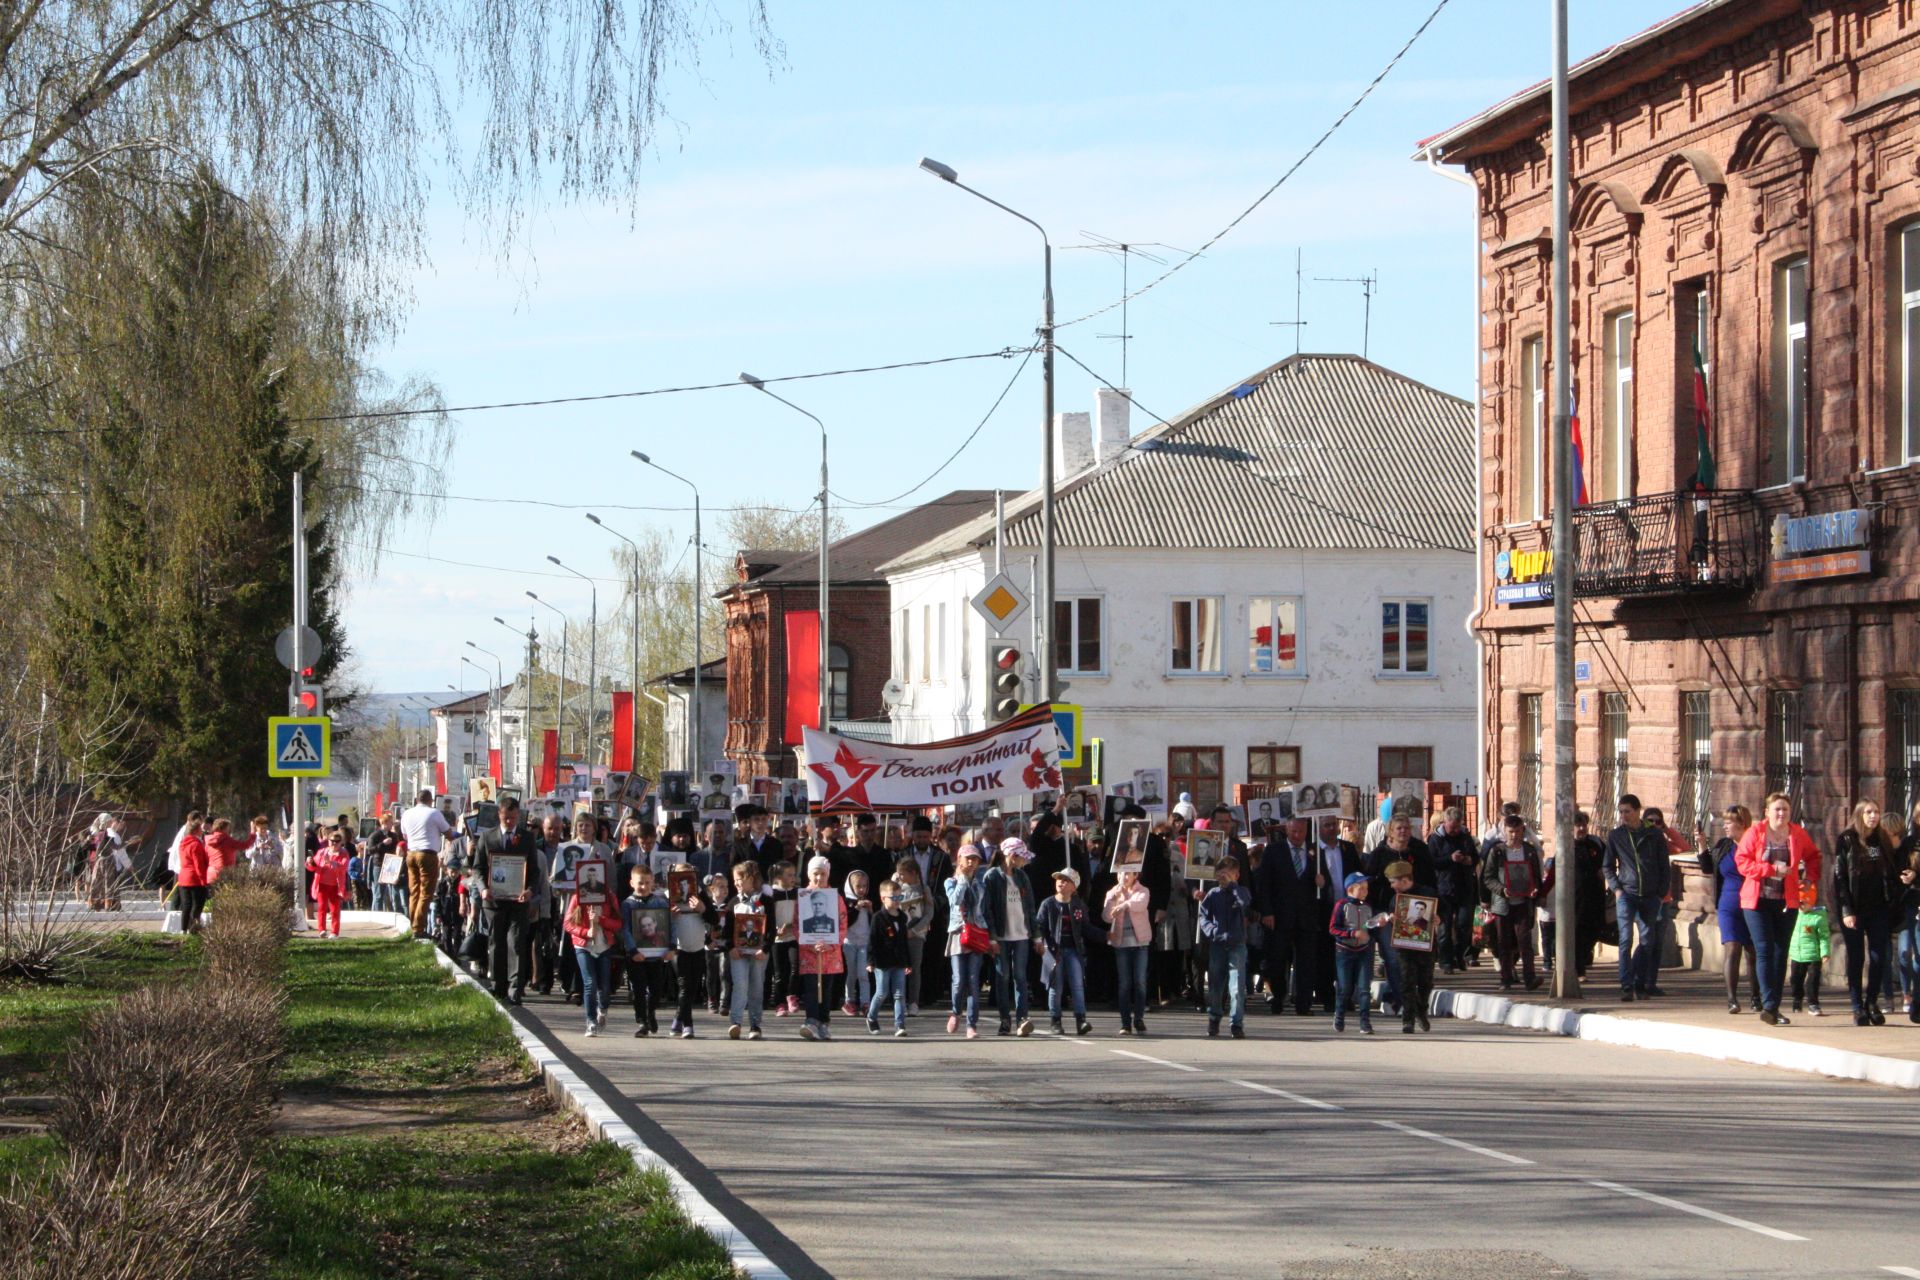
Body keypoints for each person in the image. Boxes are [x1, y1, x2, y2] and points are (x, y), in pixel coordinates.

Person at [1735, 791, 1820, 1026]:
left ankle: (1773, 1007)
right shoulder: (1755, 833)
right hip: (1757, 901)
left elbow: (1814, 856)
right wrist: (1771, 870)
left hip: (1786, 901)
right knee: (1764, 950)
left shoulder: (1797, 833)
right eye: (1777, 809)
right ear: (1767, 812)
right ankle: (1769, 1004)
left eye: (1785, 809)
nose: (1781, 813)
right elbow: (1742, 861)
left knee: (1781, 953)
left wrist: (1810, 878)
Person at [1829, 799, 1898, 1026]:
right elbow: (1840, 877)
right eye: (1868, 812)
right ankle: (1857, 1006)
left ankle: (1872, 1003)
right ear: (1860, 815)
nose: (1873, 816)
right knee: (1857, 957)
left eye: (1876, 812)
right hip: (1854, 909)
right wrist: (1847, 910)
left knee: (1879, 957)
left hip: (1878, 908)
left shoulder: (1882, 840)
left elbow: (1891, 871)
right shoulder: (1847, 840)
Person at [474, 796, 544, 1006]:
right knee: (496, 944)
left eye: (513, 818)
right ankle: (498, 986)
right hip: (494, 901)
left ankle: (515, 988)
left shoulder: (526, 838)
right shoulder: (487, 837)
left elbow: (534, 871)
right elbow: (477, 868)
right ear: (500, 815)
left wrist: (530, 890)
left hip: (517, 901)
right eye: (506, 818)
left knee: (516, 943)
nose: (510, 822)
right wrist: (483, 888)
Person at [1256, 816, 1327, 1016]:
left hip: (1307, 917)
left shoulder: (1316, 853)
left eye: (1301, 832)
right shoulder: (1273, 851)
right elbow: (1264, 884)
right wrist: (1267, 912)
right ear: (1287, 830)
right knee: (1277, 960)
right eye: (1294, 831)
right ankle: (1277, 999)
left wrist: (1322, 882)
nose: (1297, 835)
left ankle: (1303, 1003)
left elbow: (1325, 882)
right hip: (1280, 916)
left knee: (1306, 962)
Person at [1603, 794, 1671, 1002]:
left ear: (1638, 811)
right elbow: (1607, 866)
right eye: (1621, 811)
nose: (1623, 815)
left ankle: (1639, 983)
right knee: (1625, 939)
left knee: (1647, 940)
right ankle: (1626, 985)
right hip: (1627, 894)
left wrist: (1660, 894)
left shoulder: (1653, 834)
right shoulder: (1616, 836)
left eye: (1627, 811)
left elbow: (1664, 866)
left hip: (1650, 896)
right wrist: (1617, 889)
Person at [1700, 805, 1761, 1015]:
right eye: (1724, 822)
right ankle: (1732, 999)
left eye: (1729, 822)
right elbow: (1708, 867)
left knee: (1752, 952)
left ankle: (1756, 996)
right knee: (1732, 949)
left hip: (1753, 903)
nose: (1725, 826)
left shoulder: (1756, 845)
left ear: (1742, 824)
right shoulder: (1724, 845)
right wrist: (1701, 846)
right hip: (1728, 904)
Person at [1481, 814, 1546, 990]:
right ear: (1505, 831)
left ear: (1522, 831)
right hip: (1503, 904)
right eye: (1511, 831)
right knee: (1504, 942)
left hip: (1524, 903)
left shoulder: (1529, 851)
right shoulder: (1498, 851)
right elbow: (1488, 878)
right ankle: (1506, 979)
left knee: (1525, 942)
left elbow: (1536, 876)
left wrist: (1536, 891)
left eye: (1518, 831)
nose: (1514, 835)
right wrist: (1501, 890)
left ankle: (1529, 978)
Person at [1033, 867, 1100, 1035]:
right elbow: (1039, 925)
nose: (1060, 882)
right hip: (1054, 950)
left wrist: (1105, 936)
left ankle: (1081, 1020)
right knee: (1056, 986)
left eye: (1065, 880)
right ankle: (1055, 1021)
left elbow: (1086, 927)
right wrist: (1039, 940)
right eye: (1059, 879)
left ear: (1074, 887)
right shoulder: (1048, 904)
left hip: (1073, 950)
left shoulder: (1078, 905)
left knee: (1077, 985)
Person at [984, 838, 1037, 1037]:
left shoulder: (1022, 877)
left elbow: (1030, 907)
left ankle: (1022, 1018)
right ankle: (1004, 1019)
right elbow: (987, 910)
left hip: (1021, 934)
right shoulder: (992, 877)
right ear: (1012, 856)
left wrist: (1036, 936)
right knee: (1002, 976)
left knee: (1020, 977)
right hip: (1001, 935)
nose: (1024, 862)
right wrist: (992, 938)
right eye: (1022, 858)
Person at [566, 857, 623, 1038]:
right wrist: (585, 932)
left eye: (595, 873)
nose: (591, 876)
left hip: (604, 945)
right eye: (588, 873)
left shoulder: (609, 896)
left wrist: (601, 921)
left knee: (604, 987)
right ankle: (590, 1022)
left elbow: (618, 924)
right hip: (583, 946)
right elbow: (568, 924)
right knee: (590, 983)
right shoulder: (577, 896)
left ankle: (603, 1009)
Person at [1197, 854, 1252, 1038]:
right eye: (1220, 874)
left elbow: (1245, 904)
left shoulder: (1241, 891)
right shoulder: (1213, 894)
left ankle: (1236, 1023)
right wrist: (1212, 931)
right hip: (1218, 945)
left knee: (1237, 987)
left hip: (1237, 944)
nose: (1222, 878)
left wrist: (1233, 886)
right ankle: (1214, 1018)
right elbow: (1203, 916)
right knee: (1215, 985)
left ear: (1236, 875)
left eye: (1227, 874)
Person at [1381, 859, 1437, 1033]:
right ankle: (1408, 1020)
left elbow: (1444, 909)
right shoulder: (1395, 899)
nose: (1392, 886)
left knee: (1426, 983)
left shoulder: (1428, 893)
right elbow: (1392, 916)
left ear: (1405, 880)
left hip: (1425, 946)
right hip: (1404, 947)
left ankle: (1421, 1010)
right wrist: (1390, 919)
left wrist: (1439, 917)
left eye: (1393, 882)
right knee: (1407, 982)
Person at [796, 855, 846, 1041]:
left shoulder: (836, 898)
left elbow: (842, 924)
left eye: (822, 874)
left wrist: (831, 944)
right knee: (810, 988)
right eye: (815, 874)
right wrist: (809, 943)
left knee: (825, 989)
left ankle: (824, 1022)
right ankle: (811, 1020)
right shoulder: (803, 896)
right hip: (809, 954)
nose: (819, 878)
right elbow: (797, 924)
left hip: (830, 956)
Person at [944, 844, 991, 1039]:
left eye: (975, 859)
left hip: (976, 932)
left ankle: (972, 1024)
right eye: (967, 858)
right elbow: (954, 901)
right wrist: (963, 879)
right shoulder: (951, 881)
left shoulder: (980, 883)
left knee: (973, 980)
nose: (971, 862)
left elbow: (981, 908)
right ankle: (956, 1011)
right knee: (958, 980)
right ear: (959, 860)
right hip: (958, 933)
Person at [1428, 806, 1479, 974]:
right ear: (1445, 822)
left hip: (1464, 887)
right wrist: (1450, 859)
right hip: (1444, 889)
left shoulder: (1465, 837)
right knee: (1444, 927)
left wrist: (1469, 860)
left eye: (1458, 827)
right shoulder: (1435, 839)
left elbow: (1476, 857)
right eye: (1452, 827)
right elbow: (1432, 862)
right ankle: (1446, 961)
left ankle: (1459, 955)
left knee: (1464, 924)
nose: (1455, 831)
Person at [1103, 864, 1152, 1036]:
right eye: (1120, 874)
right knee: (1124, 984)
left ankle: (1138, 1018)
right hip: (1121, 944)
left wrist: (1124, 905)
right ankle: (1125, 1022)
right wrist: (1113, 900)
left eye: (1127, 874)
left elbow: (1140, 904)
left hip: (1140, 944)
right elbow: (1106, 916)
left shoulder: (1143, 890)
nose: (1123, 877)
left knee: (1140, 982)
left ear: (1135, 875)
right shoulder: (1112, 892)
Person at [723, 860, 769, 1041]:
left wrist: (764, 949)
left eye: (739, 879)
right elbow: (727, 929)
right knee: (740, 985)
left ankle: (755, 1025)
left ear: (750, 878)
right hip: (738, 953)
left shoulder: (765, 901)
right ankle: (736, 1022)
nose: (736, 883)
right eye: (734, 880)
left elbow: (770, 928)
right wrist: (731, 947)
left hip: (758, 953)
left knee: (756, 987)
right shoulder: (733, 902)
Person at [621, 865, 669, 1035]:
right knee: (639, 989)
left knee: (656, 988)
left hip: (656, 955)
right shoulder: (628, 904)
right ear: (632, 883)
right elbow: (625, 929)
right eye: (640, 883)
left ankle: (651, 1013)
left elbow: (668, 925)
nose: (644, 887)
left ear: (653, 883)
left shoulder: (661, 902)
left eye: (647, 883)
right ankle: (642, 1021)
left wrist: (671, 947)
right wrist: (633, 951)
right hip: (636, 955)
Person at [400, 789, 453, 939]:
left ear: (417, 800)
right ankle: (418, 928)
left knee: (414, 891)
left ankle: (413, 924)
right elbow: (448, 833)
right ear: (430, 800)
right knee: (426, 892)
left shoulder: (407, 814)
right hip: (427, 855)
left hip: (411, 854)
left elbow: (404, 835)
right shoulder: (434, 813)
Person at [669, 861, 714, 1039]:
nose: (684, 883)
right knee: (684, 987)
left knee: (692, 988)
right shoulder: (668, 895)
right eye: (680, 878)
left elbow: (715, 919)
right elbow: (660, 923)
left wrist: (703, 909)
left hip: (697, 946)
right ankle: (688, 1024)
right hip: (679, 947)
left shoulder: (700, 894)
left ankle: (678, 1019)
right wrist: (670, 915)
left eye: (688, 879)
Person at [1329, 872, 1376, 1035]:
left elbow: (1369, 927)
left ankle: (1365, 1022)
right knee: (1345, 987)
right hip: (1344, 951)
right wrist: (1351, 933)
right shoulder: (1342, 905)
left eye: (1366, 888)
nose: (1365, 891)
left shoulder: (1367, 907)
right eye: (1362, 888)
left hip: (1363, 951)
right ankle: (1339, 1016)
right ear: (1350, 889)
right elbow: (1333, 928)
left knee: (1364, 988)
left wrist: (1378, 924)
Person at [866, 878, 913, 1036]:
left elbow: (903, 941)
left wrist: (908, 962)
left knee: (899, 994)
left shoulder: (902, 917)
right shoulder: (878, 918)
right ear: (883, 898)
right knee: (882, 993)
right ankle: (871, 1018)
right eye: (893, 898)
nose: (897, 901)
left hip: (899, 961)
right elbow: (872, 940)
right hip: (882, 961)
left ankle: (900, 1025)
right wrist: (871, 960)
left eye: (899, 897)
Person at [766, 860, 800, 1017]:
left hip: (793, 935)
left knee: (796, 966)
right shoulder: (771, 894)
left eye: (794, 874)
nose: (793, 878)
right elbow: (767, 915)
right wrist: (774, 930)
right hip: (777, 939)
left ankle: (792, 995)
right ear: (778, 877)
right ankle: (779, 1003)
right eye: (789, 875)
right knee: (780, 972)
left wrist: (793, 925)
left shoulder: (798, 892)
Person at [841, 868, 875, 1018]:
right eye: (858, 886)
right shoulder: (846, 902)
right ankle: (849, 1000)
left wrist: (870, 910)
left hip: (864, 942)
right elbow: (845, 922)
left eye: (864, 886)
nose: (861, 889)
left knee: (863, 973)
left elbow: (874, 922)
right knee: (852, 973)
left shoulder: (868, 902)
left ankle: (865, 1002)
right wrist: (855, 908)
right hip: (849, 942)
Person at [1788, 899, 1831, 1017]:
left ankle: (1813, 1003)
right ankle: (1797, 999)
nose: (1800, 906)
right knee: (1795, 979)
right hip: (1797, 954)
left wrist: (1825, 952)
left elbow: (1824, 936)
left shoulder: (1818, 917)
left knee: (1813, 980)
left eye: (1803, 903)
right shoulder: (1793, 914)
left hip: (1813, 955)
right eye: (1799, 903)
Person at [306, 829, 350, 938]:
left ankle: (334, 932)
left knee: (335, 909)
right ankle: (322, 930)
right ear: (328, 841)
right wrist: (309, 862)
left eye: (337, 841)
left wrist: (331, 862)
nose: (334, 843)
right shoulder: (322, 852)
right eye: (332, 841)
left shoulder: (343, 854)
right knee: (322, 907)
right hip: (321, 884)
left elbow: (343, 867)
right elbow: (313, 867)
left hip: (336, 885)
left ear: (341, 842)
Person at [174, 813, 211, 933]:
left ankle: (183, 929)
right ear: (196, 830)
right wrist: (204, 881)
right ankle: (193, 929)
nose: (202, 831)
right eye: (200, 829)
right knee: (197, 904)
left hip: (183, 878)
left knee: (186, 905)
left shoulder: (182, 844)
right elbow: (198, 864)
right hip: (194, 878)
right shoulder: (196, 844)